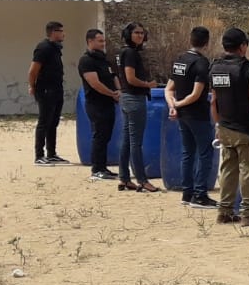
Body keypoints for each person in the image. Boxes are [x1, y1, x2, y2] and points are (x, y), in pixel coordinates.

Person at [209, 27, 249, 226]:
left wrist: (218, 124)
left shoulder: (215, 67)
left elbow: (213, 100)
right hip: (246, 128)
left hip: (224, 126)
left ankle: (224, 210)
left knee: (228, 169)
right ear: (242, 46)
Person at [166, 26, 218, 209]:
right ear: (207, 41)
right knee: (205, 153)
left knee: (187, 153)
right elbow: (196, 94)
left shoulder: (180, 60)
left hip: (182, 116)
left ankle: (187, 193)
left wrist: (173, 105)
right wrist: (177, 105)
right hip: (197, 114)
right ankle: (200, 194)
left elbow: (169, 88)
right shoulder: (202, 63)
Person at [115, 22, 160, 193]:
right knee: (135, 143)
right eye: (136, 33)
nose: (140, 36)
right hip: (134, 98)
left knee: (127, 141)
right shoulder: (130, 53)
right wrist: (148, 84)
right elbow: (131, 78)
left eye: (142, 33)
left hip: (127, 98)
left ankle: (124, 178)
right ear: (128, 34)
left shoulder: (124, 52)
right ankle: (142, 180)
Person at [77, 28, 120, 181]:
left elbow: (113, 76)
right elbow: (95, 83)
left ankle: (103, 167)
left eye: (103, 41)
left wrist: (118, 90)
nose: (103, 44)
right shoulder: (86, 60)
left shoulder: (103, 59)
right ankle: (97, 169)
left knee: (106, 136)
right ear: (90, 41)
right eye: (100, 41)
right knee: (99, 136)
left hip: (109, 103)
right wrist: (112, 93)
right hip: (96, 104)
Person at [28, 20, 67, 165]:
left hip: (57, 89)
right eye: (61, 31)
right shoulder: (43, 48)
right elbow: (33, 71)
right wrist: (32, 86)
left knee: (53, 122)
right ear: (53, 32)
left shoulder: (56, 49)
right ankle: (39, 155)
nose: (64, 34)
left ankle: (52, 153)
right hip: (45, 90)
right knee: (44, 122)